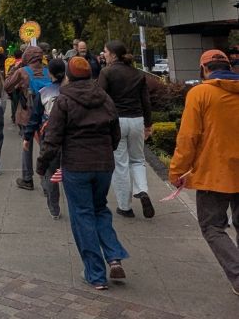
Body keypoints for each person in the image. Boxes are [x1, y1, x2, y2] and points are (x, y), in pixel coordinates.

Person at [37, 56, 128, 291]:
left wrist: (42, 163)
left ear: (69, 75)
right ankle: (114, 256)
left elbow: (52, 137)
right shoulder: (104, 98)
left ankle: (95, 273)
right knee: (100, 209)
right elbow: (115, 133)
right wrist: (106, 151)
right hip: (103, 164)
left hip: (76, 165)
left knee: (82, 215)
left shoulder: (65, 100)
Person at [169, 49, 239, 296]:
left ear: (204, 69)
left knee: (212, 227)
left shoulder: (200, 93)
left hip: (214, 172)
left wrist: (177, 170)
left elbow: (188, 137)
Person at [98, 40, 153, 219]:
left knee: (120, 164)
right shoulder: (137, 74)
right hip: (136, 119)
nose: (103, 54)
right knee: (138, 160)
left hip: (116, 121)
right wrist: (148, 124)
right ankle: (142, 190)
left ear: (113, 55)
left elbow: (100, 98)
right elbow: (146, 101)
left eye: (105, 52)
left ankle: (125, 206)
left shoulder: (106, 72)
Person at [17, 58, 66, 218]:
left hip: (50, 136)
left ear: (49, 73)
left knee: (51, 172)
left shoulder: (44, 93)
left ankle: (54, 208)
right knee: (71, 171)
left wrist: (27, 136)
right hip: (70, 137)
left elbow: (35, 117)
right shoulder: (71, 91)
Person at [4, 45, 49, 132]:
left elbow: (7, 85)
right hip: (45, 113)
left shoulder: (22, 71)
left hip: (27, 111)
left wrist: (15, 68)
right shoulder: (48, 71)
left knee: (28, 140)